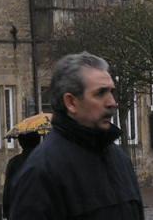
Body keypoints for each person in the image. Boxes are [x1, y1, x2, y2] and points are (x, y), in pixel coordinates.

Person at [8, 53, 143, 219]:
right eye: (100, 93)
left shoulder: (120, 159)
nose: (112, 103)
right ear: (71, 102)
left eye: (111, 92)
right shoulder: (41, 172)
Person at [2, 132, 40, 218]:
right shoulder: (45, 160)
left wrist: (6, 212)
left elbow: (8, 189)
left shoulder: (14, 162)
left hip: (19, 210)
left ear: (21, 143)